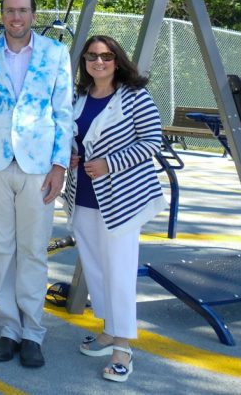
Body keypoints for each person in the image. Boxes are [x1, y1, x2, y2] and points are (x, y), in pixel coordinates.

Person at [0, 0, 73, 368]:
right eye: (10, 11)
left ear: (34, 15)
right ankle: (9, 329)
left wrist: (60, 166)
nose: (16, 17)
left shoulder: (55, 54)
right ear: (2, 14)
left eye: (23, 11)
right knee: (1, 249)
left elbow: (63, 114)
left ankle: (33, 333)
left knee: (34, 250)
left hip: (39, 167)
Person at [64, 35, 164, 383]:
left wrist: (111, 163)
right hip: (83, 197)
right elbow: (71, 140)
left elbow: (152, 141)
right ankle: (108, 331)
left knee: (119, 273)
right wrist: (70, 157)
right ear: (85, 63)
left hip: (120, 201)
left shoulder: (134, 97)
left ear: (117, 60)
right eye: (92, 56)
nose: (99, 62)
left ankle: (123, 347)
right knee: (95, 270)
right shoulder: (78, 98)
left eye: (106, 56)